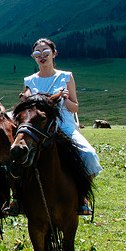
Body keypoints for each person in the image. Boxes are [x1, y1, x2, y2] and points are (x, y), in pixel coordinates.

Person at [20, 37, 102, 215]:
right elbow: (27, 100)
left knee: (88, 154)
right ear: (33, 57)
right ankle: (17, 199)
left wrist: (65, 98)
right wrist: (25, 98)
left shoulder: (66, 76)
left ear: (54, 54)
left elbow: (75, 106)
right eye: (37, 53)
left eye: (46, 52)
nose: (42, 56)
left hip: (64, 125)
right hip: (39, 128)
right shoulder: (30, 80)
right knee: (16, 155)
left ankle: (82, 195)